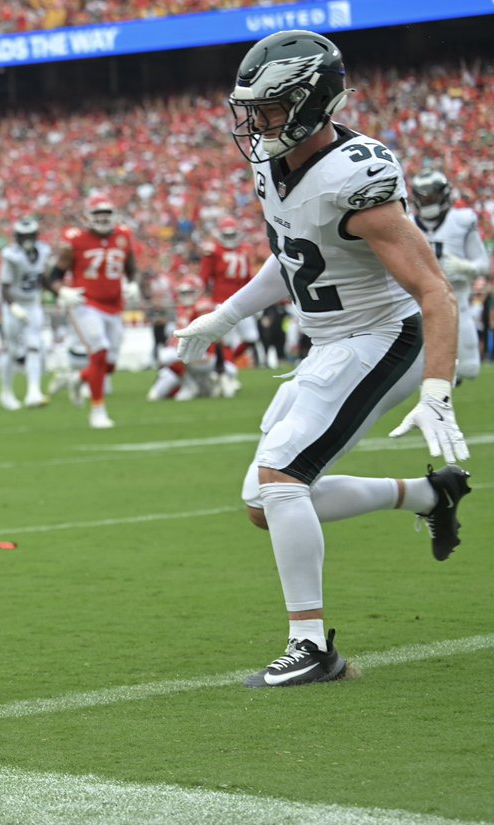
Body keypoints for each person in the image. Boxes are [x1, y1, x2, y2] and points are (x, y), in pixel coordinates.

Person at [177, 30, 471, 688]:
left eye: (272, 107)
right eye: (251, 108)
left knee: (283, 478)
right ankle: (428, 493)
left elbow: (434, 292)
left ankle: (312, 647)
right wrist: (228, 313)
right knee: (264, 502)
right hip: (330, 341)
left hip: (383, 338)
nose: (255, 123)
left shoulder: (357, 175)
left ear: (313, 102)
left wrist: (437, 388)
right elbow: (296, 253)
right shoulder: (268, 162)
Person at [50, 193, 139, 429]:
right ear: (88, 217)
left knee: (109, 364)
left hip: (114, 305)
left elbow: (131, 268)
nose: (102, 218)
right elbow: (52, 276)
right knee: (99, 353)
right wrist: (62, 292)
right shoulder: (75, 240)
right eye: (97, 214)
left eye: (106, 213)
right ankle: (97, 411)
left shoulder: (123, 235)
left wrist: (133, 283)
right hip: (85, 303)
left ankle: (78, 378)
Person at [410, 169, 489, 383]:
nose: (427, 201)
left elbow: (483, 265)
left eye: (432, 196)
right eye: (423, 196)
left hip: (458, 303)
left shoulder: (462, 221)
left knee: (470, 368)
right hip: (418, 307)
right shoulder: (406, 223)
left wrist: (463, 267)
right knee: (416, 372)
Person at [199, 216, 258, 395]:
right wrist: (204, 299)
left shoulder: (243, 251)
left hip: (242, 300)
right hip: (221, 302)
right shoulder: (214, 252)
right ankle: (228, 374)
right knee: (227, 342)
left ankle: (226, 367)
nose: (231, 238)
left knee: (251, 337)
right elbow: (204, 278)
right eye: (227, 234)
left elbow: (249, 279)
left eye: (233, 234)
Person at [0, 217, 52, 410]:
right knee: (12, 350)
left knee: (34, 345)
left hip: (33, 303)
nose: (27, 239)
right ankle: (6, 392)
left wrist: (59, 292)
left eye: (30, 235)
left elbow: (42, 277)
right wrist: (13, 307)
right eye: (23, 236)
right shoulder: (11, 255)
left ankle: (34, 391)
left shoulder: (44, 251)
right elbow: (4, 286)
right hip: (14, 304)